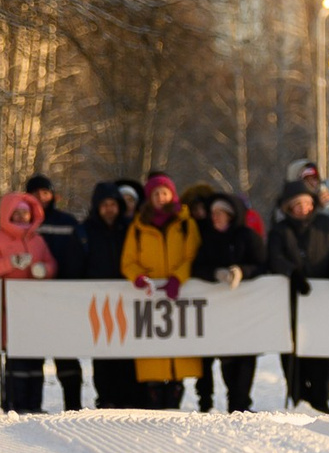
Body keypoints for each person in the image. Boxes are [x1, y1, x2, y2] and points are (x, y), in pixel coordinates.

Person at [120, 173, 201, 409]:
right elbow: (128, 261)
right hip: (149, 298)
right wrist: (139, 278)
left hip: (180, 296)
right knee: (152, 354)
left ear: (172, 194)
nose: (160, 197)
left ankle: (175, 394)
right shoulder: (138, 225)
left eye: (164, 192)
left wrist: (178, 278)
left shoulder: (185, 223)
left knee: (179, 352)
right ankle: (154, 397)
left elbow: (193, 255)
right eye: (155, 193)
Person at [268, 182, 329, 411]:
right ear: (289, 207)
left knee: (321, 349)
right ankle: (298, 396)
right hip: (292, 300)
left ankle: (321, 398)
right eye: (298, 204)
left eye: (307, 203)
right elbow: (274, 257)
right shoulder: (280, 230)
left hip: (322, 299)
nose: (303, 208)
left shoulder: (326, 225)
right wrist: (291, 273)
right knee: (292, 350)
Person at [0, 190, 55, 411]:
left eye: (25, 212)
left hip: (34, 309)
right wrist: (10, 262)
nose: (22, 217)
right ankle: (14, 402)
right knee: (15, 357)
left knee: (35, 357)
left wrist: (44, 270)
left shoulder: (38, 240)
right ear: (8, 214)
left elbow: (51, 264)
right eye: (17, 212)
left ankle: (34, 403)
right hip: (7, 309)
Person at [192, 194, 265, 411]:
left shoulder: (248, 237)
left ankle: (241, 401)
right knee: (226, 354)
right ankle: (230, 400)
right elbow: (197, 267)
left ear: (230, 215)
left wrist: (242, 271)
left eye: (220, 213)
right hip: (218, 310)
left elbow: (262, 264)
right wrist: (215, 273)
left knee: (245, 353)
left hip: (246, 308)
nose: (215, 217)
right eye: (212, 213)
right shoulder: (208, 239)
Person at [25, 176, 89, 410]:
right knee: (32, 354)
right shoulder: (21, 221)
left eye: (45, 192)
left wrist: (72, 283)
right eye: (35, 193)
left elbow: (80, 255)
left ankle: (73, 407)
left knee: (66, 355)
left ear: (53, 195)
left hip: (64, 297)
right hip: (31, 298)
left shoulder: (67, 222)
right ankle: (30, 405)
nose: (41, 197)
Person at [78, 181, 138, 408]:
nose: (109, 209)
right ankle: (105, 398)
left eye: (113, 204)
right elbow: (76, 264)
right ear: (97, 207)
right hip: (96, 300)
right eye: (104, 205)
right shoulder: (85, 231)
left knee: (127, 351)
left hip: (128, 299)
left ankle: (129, 398)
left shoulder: (130, 228)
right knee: (102, 351)